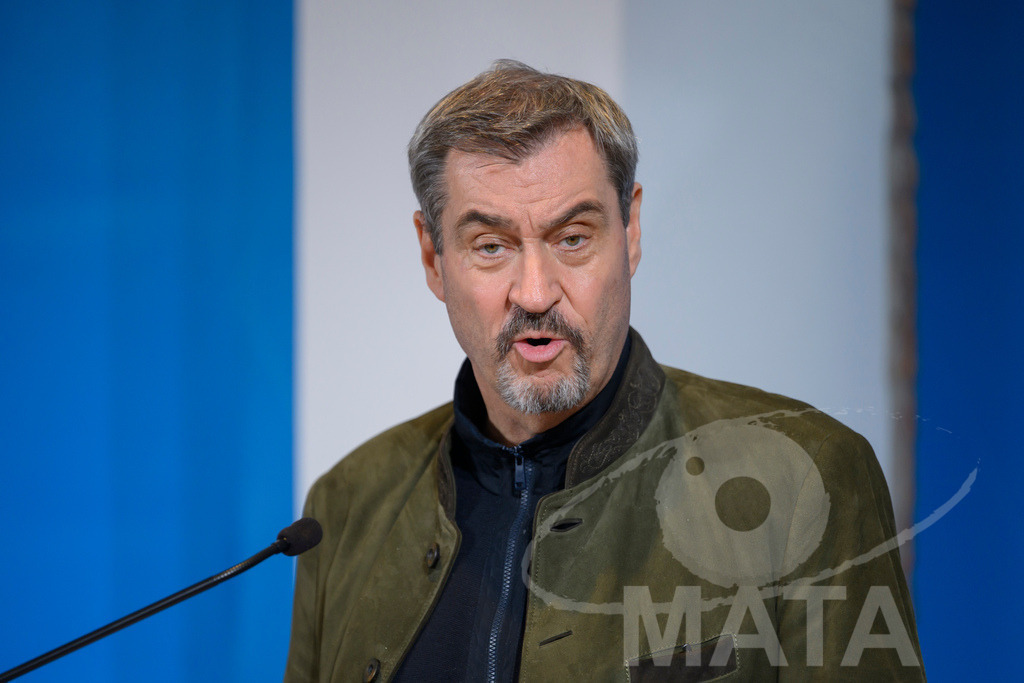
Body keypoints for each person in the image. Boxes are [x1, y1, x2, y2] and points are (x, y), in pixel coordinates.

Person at [284, 60, 924, 682]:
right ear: (432, 257)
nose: (535, 293)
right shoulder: (346, 508)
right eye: (491, 246)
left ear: (632, 229)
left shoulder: (805, 477)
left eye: (572, 238)